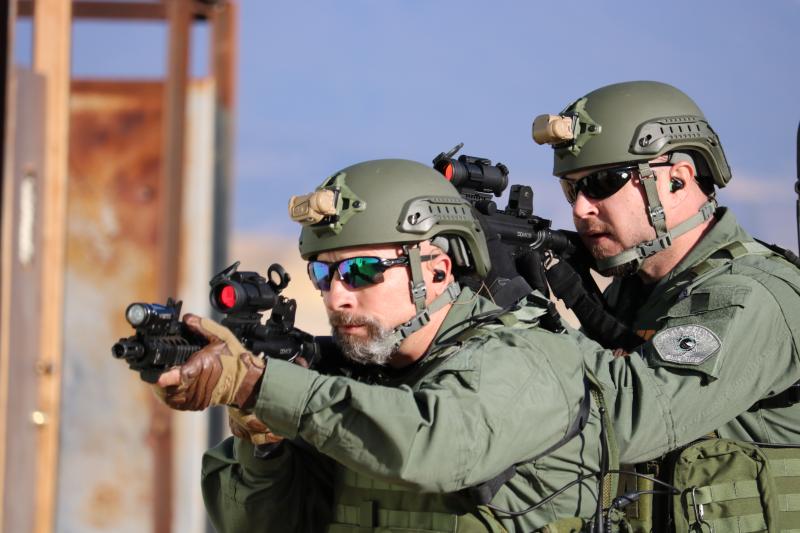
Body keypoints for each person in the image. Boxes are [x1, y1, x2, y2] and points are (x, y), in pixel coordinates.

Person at [155, 159, 617, 532]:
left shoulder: (522, 359)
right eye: (323, 273)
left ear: (435, 270)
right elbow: (253, 525)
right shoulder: (345, 379)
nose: (337, 295)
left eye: (359, 271)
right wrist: (264, 443)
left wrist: (263, 386)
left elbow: (433, 446)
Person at [532, 80, 800, 530]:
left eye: (601, 182)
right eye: (571, 189)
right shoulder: (640, 291)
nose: (580, 209)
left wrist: (518, 320)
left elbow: (629, 423)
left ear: (677, 180)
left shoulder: (749, 294)